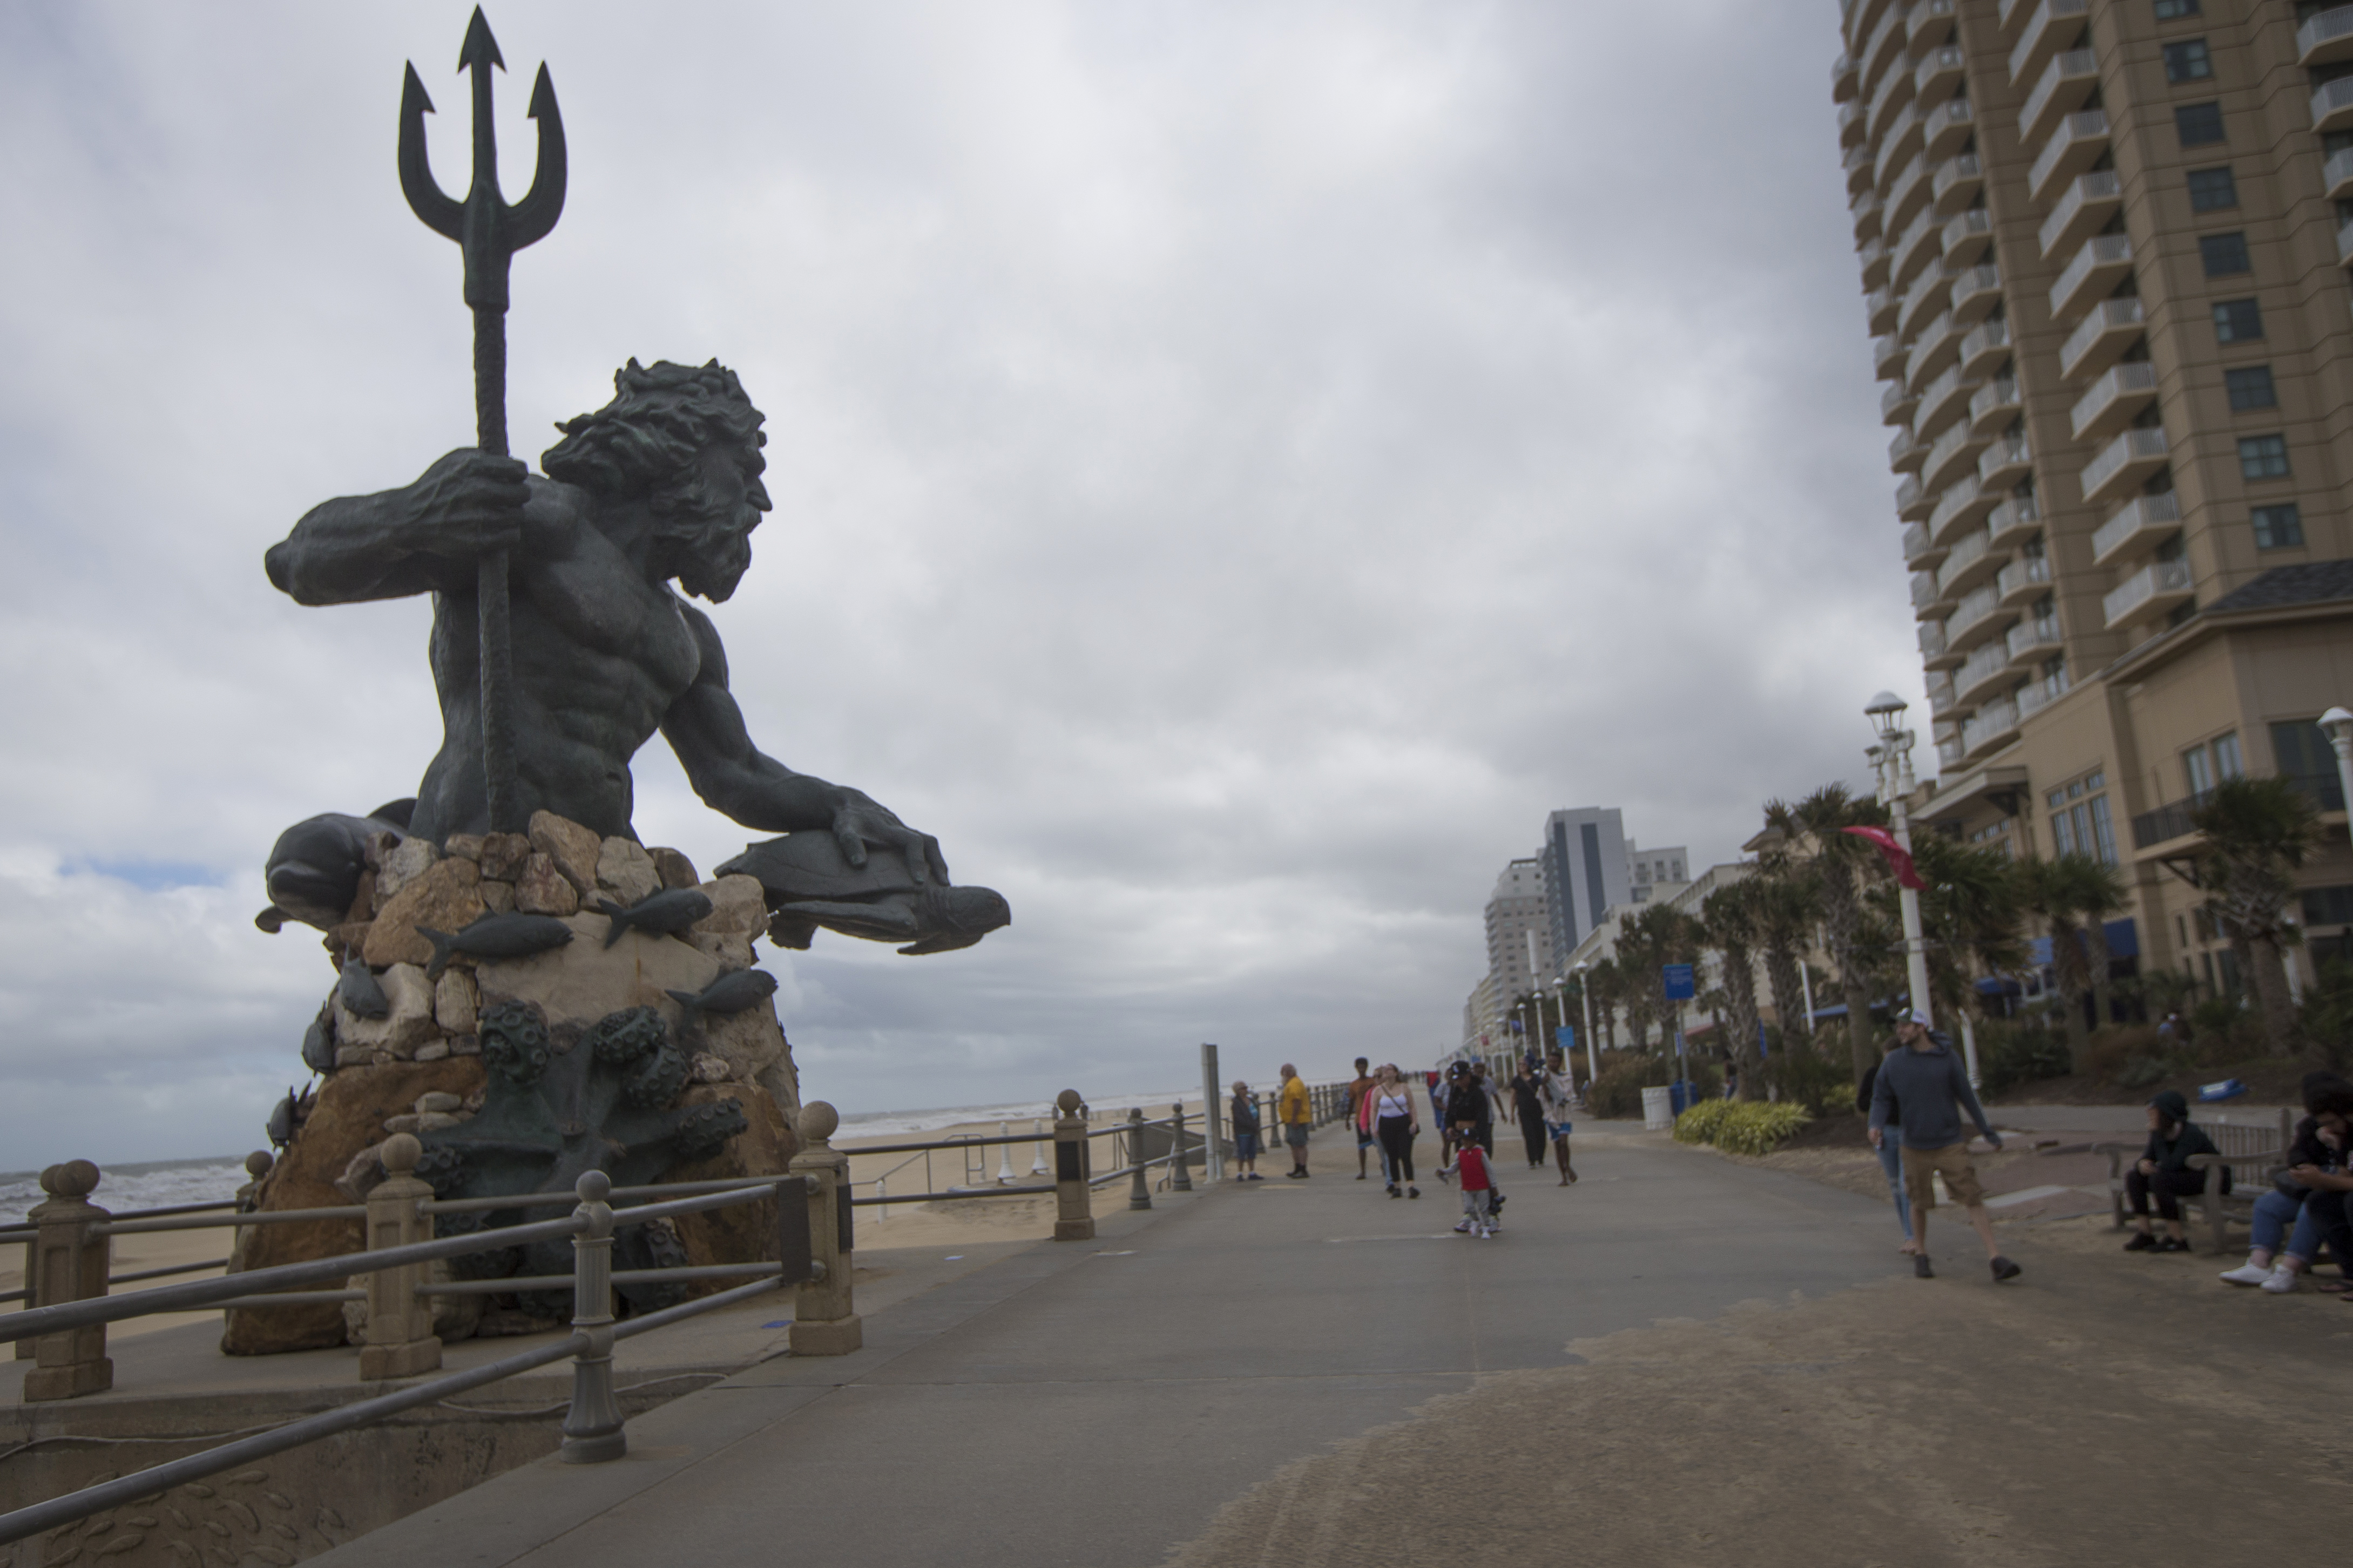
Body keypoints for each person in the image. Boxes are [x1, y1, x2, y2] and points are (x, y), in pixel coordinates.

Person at [260, 361, 946, 902]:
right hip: (473, 867)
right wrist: (414, 516)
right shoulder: (531, 517)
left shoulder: (690, 638)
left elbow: (735, 776)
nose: (758, 502)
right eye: (743, 471)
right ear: (676, 451)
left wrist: (839, 803)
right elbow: (298, 563)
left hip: (603, 878)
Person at [1868, 1009, 2018, 1282]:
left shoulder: (1947, 1059)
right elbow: (1881, 1097)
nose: (1900, 1030)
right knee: (1918, 1201)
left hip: (1949, 1142)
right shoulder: (1894, 1063)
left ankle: (1996, 1258)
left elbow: (1968, 1097)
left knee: (1972, 1196)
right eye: (1898, 1026)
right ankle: (1922, 1255)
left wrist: (1988, 1133)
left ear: (1921, 1027)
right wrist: (1875, 1124)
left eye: (1906, 1025)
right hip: (1913, 1144)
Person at [2220, 1074, 2353, 1292]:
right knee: (2267, 1204)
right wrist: (2307, 1163)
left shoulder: (2346, 1124)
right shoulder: (2312, 1125)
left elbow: (2344, 1168)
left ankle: (2289, 1270)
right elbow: (2296, 1154)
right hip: (2308, 1184)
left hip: (2330, 1187)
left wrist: (2334, 1153)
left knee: (2312, 1206)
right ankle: (2259, 1263)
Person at [2121, 1090, 2223, 1253]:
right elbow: (2148, 1157)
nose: (2150, 1118)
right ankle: (2145, 1233)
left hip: (2210, 1179)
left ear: (2166, 1115)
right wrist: (2143, 1164)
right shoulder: (2160, 1133)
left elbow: (2173, 1164)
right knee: (2134, 1177)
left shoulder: (2191, 1134)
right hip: (2181, 1176)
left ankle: (2177, 1239)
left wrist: (2157, 1140)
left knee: (2160, 1180)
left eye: (2154, 1114)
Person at [1856, 1048, 1917, 1255]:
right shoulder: (1875, 1075)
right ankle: (1908, 1234)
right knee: (1896, 1187)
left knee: (1905, 1183)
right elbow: (1863, 1102)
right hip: (1886, 1133)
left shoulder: (1910, 1072)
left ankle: (1913, 1237)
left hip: (1908, 1131)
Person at [1367, 1063, 1421, 1199]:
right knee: (1392, 1156)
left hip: (1403, 1123)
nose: (1386, 1071)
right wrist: (1374, 1127)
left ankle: (1411, 1185)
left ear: (1396, 1073)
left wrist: (1414, 1122)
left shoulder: (1404, 1088)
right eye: (1385, 1070)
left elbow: (1412, 1106)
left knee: (1405, 1154)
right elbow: (1373, 1110)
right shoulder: (1378, 1090)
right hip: (1386, 1124)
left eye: (1389, 1069)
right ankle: (1397, 1186)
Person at [1451, 1122, 1499, 1238]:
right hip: (1467, 1187)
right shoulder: (1460, 1154)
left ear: (1475, 1141)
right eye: (1464, 1140)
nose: (1466, 1143)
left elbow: (1490, 1171)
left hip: (1481, 1186)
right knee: (1469, 1207)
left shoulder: (1481, 1153)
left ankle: (1486, 1228)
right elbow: (1454, 1168)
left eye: (1468, 1140)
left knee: (1484, 1208)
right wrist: (1444, 1172)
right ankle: (1476, 1221)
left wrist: (1493, 1186)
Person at [1539, 1050, 1579, 1186]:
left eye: (1555, 1061)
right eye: (1550, 1061)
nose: (1552, 1064)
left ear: (1560, 1063)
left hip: (1564, 1115)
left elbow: (1565, 1094)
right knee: (1557, 1145)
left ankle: (1567, 1166)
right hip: (1552, 1116)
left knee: (1563, 1142)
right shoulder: (1545, 1077)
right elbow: (1546, 1098)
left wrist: (1552, 1083)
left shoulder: (1566, 1077)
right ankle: (1564, 1176)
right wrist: (1545, 1084)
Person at [1345, 1057, 1378, 1180]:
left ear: (1367, 1067)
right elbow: (1351, 1102)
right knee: (1362, 1146)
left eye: (1364, 1066)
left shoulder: (1373, 1081)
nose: (1362, 1068)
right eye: (1359, 1066)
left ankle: (1384, 1165)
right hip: (1360, 1118)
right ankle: (1363, 1171)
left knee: (1379, 1144)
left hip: (1374, 1117)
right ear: (1356, 1068)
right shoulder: (1354, 1085)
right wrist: (1347, 1119)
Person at [1511, 1060, 1547, 1168]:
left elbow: (1544, 1093)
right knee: (1529, 1134)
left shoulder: (1536, 1079)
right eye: (1520, 1064)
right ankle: (1532, 1159)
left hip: (1538, 1111)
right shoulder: (1516, 1081)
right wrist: (1512, 1114)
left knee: (1540, 1134)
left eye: (1524, 1064)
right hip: (1524, 1111)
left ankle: (1540, 1157)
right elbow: (1513, 1097)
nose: (1522, 1066)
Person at [1278, 1064, 1313, 1178]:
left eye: (1282, 1074)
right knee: (1294, 1144)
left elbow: (1297, 1101)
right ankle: (1297, 1168)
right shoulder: (1291, 1083)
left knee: (1300, 1145)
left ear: (1287, 1073)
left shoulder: (1294, 1083)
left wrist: (1294, 1118)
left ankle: (1303, 1169)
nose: (1282, 1077)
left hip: (1297, 1120)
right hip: (1290, 1120)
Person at [1228, 1080, 1263, 1181]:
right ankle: (1240, 1173)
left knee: (1252, 1152)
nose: (1246, 1090)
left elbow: (1256, 1113)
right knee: (1242, 1152)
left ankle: (1252, 1172)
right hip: (1242, 1132)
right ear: (1238, 1091)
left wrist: (1256, 1125)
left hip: (1252, 1130)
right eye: (1243, 1088)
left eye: (1246, 1088)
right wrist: (1251, 1125)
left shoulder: (1251, 1100)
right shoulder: (1236, 1103)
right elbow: (1239, 1118)